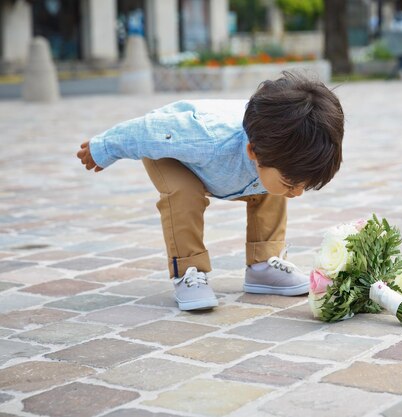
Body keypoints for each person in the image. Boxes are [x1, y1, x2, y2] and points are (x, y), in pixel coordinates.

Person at [76, 72, 344, 311]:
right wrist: (103, 148)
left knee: (273, 189)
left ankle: (263, 264)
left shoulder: (277, 145)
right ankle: (189, 270)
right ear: (253, 151)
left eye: (303, 186)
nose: (297, 193)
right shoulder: (203, 137)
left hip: (243, 168)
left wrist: (286, 183)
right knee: (184, 192)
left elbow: (285, 172)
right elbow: (146, 131)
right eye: (292, 184)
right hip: (173, 154)